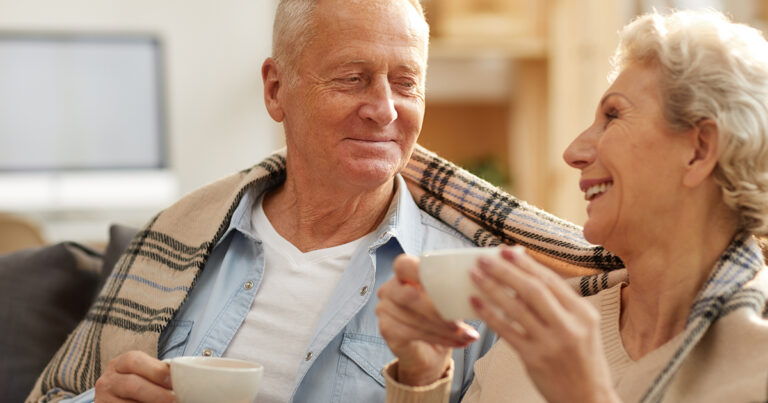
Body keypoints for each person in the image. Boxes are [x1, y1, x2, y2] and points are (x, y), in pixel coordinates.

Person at [27, 1, 620, 402]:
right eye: (352, 78)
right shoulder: (180, 236)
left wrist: (421, 380)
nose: (384, 110)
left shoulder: (470, 285)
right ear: (276, 89)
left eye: (406, 83)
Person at [378, 9, 768, 403]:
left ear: (699, 150)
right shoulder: (539, 337)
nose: (573, 152)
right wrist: (421, 378)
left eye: (613, 116)